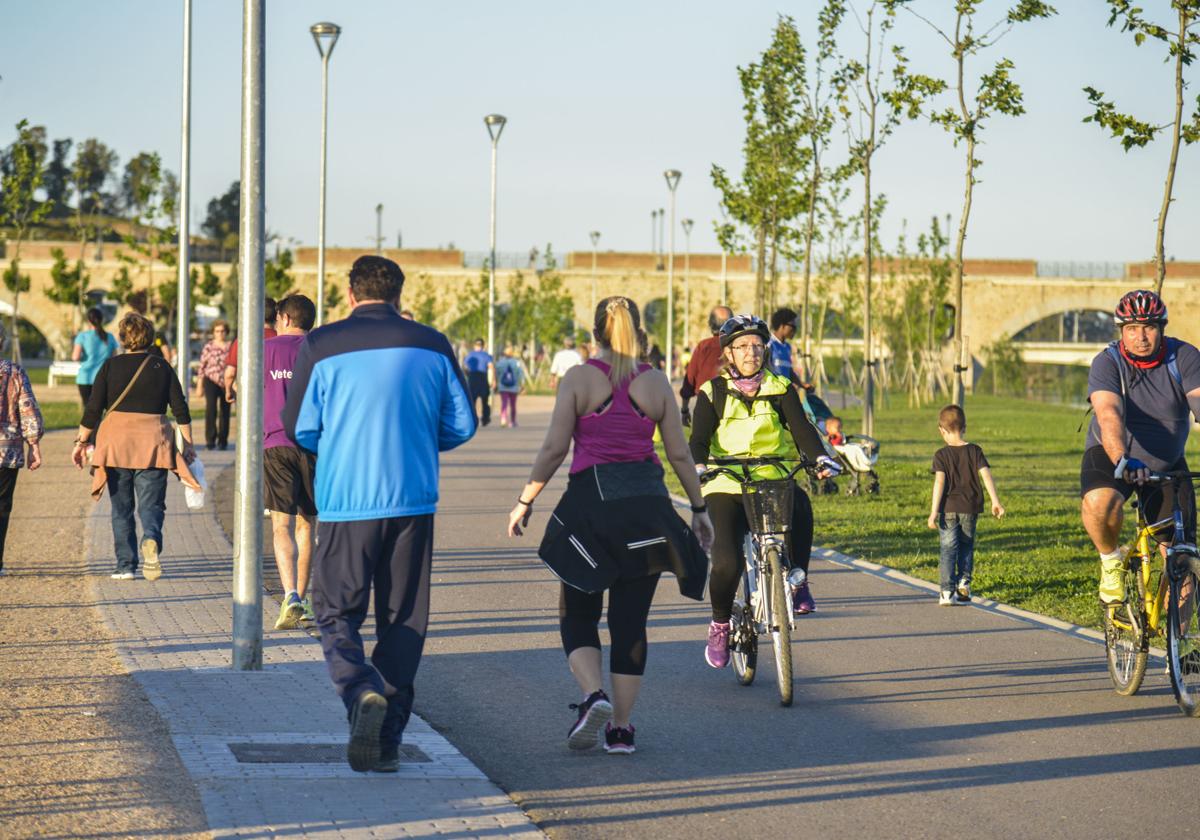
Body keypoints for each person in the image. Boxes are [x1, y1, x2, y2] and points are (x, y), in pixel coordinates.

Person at [282, 256, 474, 773]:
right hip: (413, 499)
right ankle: (386, 741)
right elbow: (462, 424)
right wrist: (415, 438)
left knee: (333, 609)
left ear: (350, 294)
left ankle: (359, 689)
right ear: (397, 293)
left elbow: (299, 426)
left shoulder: (321, 345)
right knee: (403, 616)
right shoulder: (432, 343)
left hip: (347, 501)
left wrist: (342, 442)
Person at [507, 296, 712, 755]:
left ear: (594, 331)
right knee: (630, 623)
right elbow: (679, 454)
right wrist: (698, 511)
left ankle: (591, 695)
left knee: (577, 613)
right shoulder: (656, 382)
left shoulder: (579, 379)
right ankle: (620, 729)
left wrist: (526, 500)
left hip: (591, 510)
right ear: (638, 332)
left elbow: (554, 449)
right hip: (647, 510)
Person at [689, 315, 840, 668]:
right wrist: (697, 465)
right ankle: (720, 625)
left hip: (771, 478)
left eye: (757, 345)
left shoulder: (781, 387)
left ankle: (799, 580)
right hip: (726, 482)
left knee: (801, 503)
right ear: (729, 353)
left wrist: (820, 458)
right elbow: (698, 440)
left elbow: (803, 430)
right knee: (726, 560)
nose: (751, 352)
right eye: (743, 346)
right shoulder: (713, 392)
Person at [1081, 289, 1200, 605]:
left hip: (1167, 464)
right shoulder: (1108, 363)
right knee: (1099, 503)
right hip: (1114, 456)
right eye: (1132, 328)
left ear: (1162, 328)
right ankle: (1110, 560)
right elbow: (1109, 414)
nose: (1141, 336)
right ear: (1121, 331)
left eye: (1149, 327)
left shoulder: (1184, 357)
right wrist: (1122, 458)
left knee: (1184, 560)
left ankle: (1184, 649)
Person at [73, 313, 198, 581]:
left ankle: (126, 565)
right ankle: (151, 538)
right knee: (152, 505)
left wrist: (81, 442)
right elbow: (181, 410)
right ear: (150, 337)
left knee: (121, 508)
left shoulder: (109, 367)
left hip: (115, 443)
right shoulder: (162, 367)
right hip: (154, 443)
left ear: (122, 338)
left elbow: (93, 410)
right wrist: (188, 445)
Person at [264, 295, 318, 630]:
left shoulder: (265, 350)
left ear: (283, 317)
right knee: (307, 523)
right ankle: (302, 596)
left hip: (275, 443)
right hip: (312, 445)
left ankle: (290, 597)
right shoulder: (319, 351)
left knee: (280, 525)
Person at [926, 404, 1005, 605]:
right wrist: (995, 501)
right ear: (964, 427)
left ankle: (946, 592)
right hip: (970, 508)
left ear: (941, 430)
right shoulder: (975, 451)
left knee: (948, 548)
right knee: (966, 545)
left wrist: (933, 512)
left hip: (948, 508)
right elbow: (986, 475)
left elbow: (939, 483)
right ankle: (963, 584)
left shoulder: (941, 455)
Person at [0, 321, 44, 574]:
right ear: (3, 342)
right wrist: (34, 444)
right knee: (2, 505)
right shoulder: (14, 372)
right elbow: (27, 409)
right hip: (7, 449)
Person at [680, 305, 733, 426]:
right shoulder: (738, 346)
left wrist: (684, 410)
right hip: (733, 406)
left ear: (710, 324)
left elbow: (689, 379)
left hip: (706, 405)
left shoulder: (703, 347)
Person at [224, 297, 278, 402]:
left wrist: (228, 391)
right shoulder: (282, 339)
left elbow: (230, 373)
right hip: (276, 397)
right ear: (277, 316)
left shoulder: (243, 341)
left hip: (248, 397)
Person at [195, 320, 232, 450]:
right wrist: (199, 386)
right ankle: (210, 440)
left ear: (226, 332)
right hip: (210, 380)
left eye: (222, 331)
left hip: (227, 381)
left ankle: (223, 441)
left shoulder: (231, 346)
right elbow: (202, 366)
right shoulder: (208, 347)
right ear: (213, 332)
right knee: (211, 409)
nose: (220, 333)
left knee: (225, 410)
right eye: (217, 331)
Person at [72, 307, 119, 407]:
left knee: (88, 409)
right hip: (103, 378)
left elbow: (75, 357)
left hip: (85, 377)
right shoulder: (109, 337)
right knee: (102, 408)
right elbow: (115, 358)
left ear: (88, 321)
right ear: (101, 320)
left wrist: (85, 357)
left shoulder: (82, 336)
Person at [463, 338, 495, 427]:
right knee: (485, 400)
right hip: (482, 378)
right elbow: (491, 367)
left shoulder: (470, 355)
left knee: (472, 400)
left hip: (473, 378)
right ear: (483, 345)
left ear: (474, 345)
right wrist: (493, 380)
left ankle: (472, 419)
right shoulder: (486, 355)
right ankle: (485, 419)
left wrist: (467, 376)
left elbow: (465, 367)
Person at [495, 345, 528, 428]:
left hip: (503, 386)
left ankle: (503, 419)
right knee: (513, 405)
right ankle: (513, 421)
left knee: (504, 403)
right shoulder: (516, 362)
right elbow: (521, 374)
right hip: (514, 387)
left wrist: (496, 381)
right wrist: (522, 385)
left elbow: (496, 373)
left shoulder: (500, 362)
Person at [768, 307, 799, 385]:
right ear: (782, 326)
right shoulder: (768, 344)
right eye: (793, 327)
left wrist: (802, 385)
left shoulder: (787, 347)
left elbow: (789, 371)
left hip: (785, 393)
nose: (795, 330)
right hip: (772, 392)